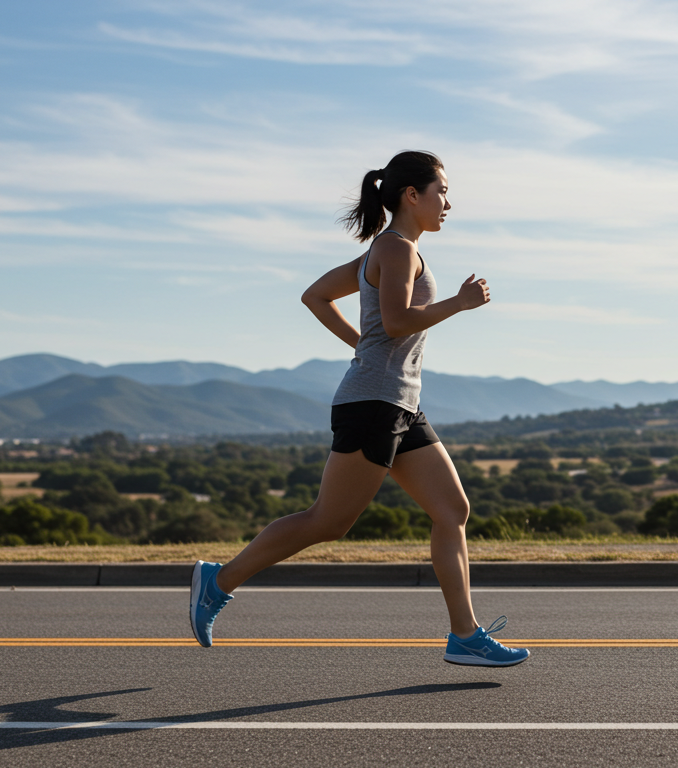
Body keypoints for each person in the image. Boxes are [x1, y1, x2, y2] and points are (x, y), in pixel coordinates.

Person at [188, 150, 528, 667]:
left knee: (452, 510)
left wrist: (361, 346)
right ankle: (218, 581)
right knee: (326, 521)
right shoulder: (395, 248)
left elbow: (316, 296)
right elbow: (395, 321)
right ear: (411, 195)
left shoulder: (387, 249)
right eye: (441, 192)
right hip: (374, 405)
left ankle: (464, 635)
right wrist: (457, 304)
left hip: (400, 404)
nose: (448, 203)